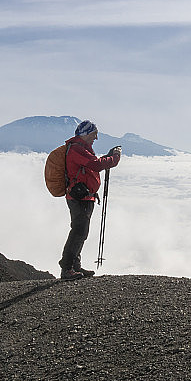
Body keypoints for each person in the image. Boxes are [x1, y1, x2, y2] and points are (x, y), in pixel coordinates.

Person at [60, 120, 121, 280]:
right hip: (79, 197)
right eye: (94, 135)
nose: (96, 138)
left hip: (84, 196)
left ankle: (74, 267)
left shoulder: (81, 149)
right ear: (86, 134)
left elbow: (91, 164)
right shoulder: (77, 149)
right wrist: (114, 158)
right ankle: (67, 268)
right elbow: (95, 165)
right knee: (78, 231)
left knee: (81, 232)